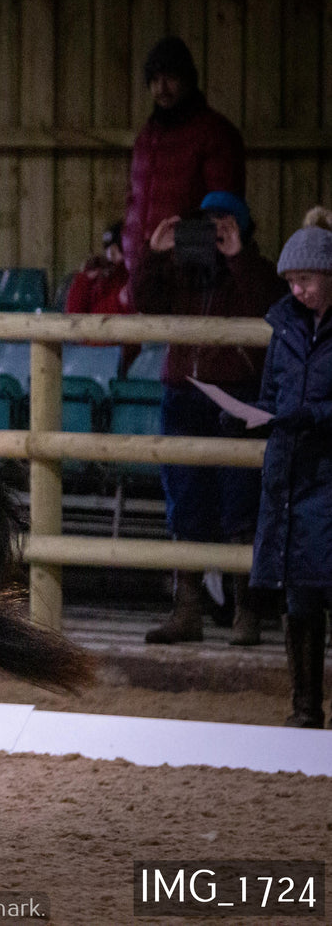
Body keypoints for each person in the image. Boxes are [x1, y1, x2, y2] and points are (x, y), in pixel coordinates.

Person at [129, 191, 285, 646]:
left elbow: (272, 309)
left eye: (225, 224)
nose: (214, 232)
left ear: (242, 229)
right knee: (186, 502)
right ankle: (187, 611)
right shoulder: (182, 267)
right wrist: (154, 254)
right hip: (183, 393)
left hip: (237, 395)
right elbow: (145, 300)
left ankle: (247, 614)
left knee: (242, 505)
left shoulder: (257, 271)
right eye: (207, 223)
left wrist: (238, 260)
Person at [247, 207, 332, 726]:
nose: (297, 290)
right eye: (293, 282)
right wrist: (256, 417)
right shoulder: (284, 328)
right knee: (298, 593)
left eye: (305, 281)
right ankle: (304, 709)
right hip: (291, 476)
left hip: (326, 471)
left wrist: (314, 416)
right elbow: (270, 391)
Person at [122, 36, 245, 279]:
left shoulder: (214, 133)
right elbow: (133, 202)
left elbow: (222, 211)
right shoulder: (146, 137)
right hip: (140, 270)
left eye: (170, 77)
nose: (162, 88)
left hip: (189, 277)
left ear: (188, 79)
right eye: (155, 80)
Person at [64, 219, 137, 375]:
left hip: (117, 358)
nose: (111, 253)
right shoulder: (101, 278)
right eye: (109, 248)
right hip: (90, 355)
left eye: (117, 247)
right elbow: (74, 315)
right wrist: (85, 279)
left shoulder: (134, 278)